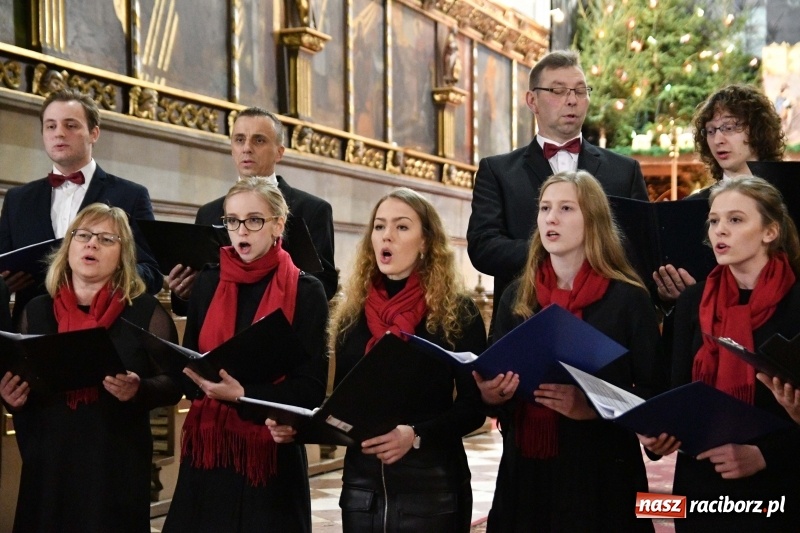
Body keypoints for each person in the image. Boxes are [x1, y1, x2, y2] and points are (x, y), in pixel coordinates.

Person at [281, 187, 485, 532]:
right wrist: (299, 425)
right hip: (364, 491)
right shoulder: (350, 314)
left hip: (432, 490)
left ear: (425, 242)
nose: (386, 235)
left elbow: (473, 407)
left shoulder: (457, 312)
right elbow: (344, 404)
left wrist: (416, 434)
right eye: (379, 226)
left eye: (402, 227)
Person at [480, 170, 659, 532]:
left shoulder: (627, 298)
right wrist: (491, 393)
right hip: (526, 470)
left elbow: (653, 393)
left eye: (565, 208)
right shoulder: (517, 297)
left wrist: (591, 407)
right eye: (545, 208)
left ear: (592, 220)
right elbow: (493, 379)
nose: (551, 218)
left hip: (601, 470)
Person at [0, 203, 181, 533]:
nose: (91, 244)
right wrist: (12, 398)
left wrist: (139, 388)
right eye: (82, 235)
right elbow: (26, 385)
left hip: (114, 463)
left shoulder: (143, 312)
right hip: (50, 461)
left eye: (106, 239)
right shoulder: (37, 311)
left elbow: (175, 382)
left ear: (123, 253)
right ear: (68, 247)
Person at [162, 178, 328, 533]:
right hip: (209, 454)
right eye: (232, 221)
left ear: (278, 224)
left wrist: (242, 395)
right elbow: (189, 368)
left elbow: (310, 391)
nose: (241, 231)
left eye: (254, 220)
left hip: (269, 456)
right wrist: (190, 375)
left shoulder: (306, 290)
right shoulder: (208, 282)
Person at [642, 177, 800, 531]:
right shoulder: (692, 302)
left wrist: (765, 456)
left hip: (778, 489)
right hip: (701, 484)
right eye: (714, 221)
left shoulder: (796, 305)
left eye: (736, 220)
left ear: (770, 231)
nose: (719, 231)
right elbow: (670, 387)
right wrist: (657, 432)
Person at [467, 50, 648, 333]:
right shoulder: (498, 171)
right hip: (524, 316)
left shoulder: (624, 171)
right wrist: (558, 253)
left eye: (580, 90)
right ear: (532, 100)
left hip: (607, 320)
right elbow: (483, 247)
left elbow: (640, 246)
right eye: (558, 91)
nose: (572, 100)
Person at [0, 88, 163, 331]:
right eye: (51, 126)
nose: (59, 134)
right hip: (34, 325)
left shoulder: (130, 195)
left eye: (71, 125)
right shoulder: (17, 199)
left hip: (110, 327)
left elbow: (151, 272)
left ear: (94, 133)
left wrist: (105, 276)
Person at [168, 106, 337, 306]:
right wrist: (183, 292)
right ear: (232, 148)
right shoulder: (209, 213)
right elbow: (191, 300)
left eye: (259, 140)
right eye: (239, 140)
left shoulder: (312, 210)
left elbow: (324, 285)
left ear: (279, 152)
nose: (247, 148)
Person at [654, 84, 785, 302]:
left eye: (729, 127)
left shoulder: (788, 196)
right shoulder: (692, 206)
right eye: (711, 130)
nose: (718, 140)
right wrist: (673, 295)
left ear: (758, 130)